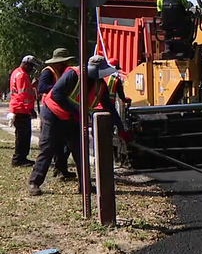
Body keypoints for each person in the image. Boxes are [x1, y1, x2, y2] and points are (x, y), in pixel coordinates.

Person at [28, 56, 133, 196]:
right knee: (48, 148)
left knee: (80, 151)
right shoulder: (73, 74)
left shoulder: (100, 86)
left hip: (73, 119)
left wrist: (121, 129)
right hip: (53, 114)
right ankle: (34, 182)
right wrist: (76, 112)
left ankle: (85, 186)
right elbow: (56, 95)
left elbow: (110, 108)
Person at [37, 48, 78, 178]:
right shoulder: (48, 72)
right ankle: (42, 176)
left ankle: (61, 169)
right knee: (50, 144)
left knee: (63, 144)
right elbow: (41, 88)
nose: (65, 65)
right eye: (62, 63)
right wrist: (59, 88)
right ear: (56, 63)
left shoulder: (65, 72)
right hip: (51, 109)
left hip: (63, 110)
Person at [9, 55, 40, 166]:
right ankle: (19, 159)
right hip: (21, 109)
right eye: (31, 66)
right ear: (26, 64)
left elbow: (22, 90)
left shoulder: (16, 72)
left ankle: (21, 157)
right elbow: (24, 94)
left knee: (21, 135)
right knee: (23, 136)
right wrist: (30, 109)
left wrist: (32, 85)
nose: (32, 69)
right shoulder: (22, 75)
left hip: (18, 107)